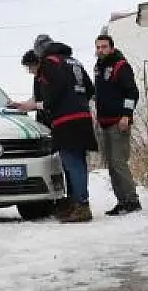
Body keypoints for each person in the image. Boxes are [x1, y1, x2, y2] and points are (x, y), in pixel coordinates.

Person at [9, 38, 98, 222]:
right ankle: (77, 203)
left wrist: (40, 106)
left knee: (71, 163)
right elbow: (90, 89)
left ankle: (81, 205)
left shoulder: (50, 63)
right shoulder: (74, 62)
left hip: (65, 119)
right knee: (79, 162)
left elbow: (52, 94)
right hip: (83, 117)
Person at [93, 33, 141, 215]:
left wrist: (126, 115)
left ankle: (132, 200)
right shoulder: (99, 67)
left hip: (118, 122)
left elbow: (132, 92)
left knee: (119, 162)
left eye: (104, 47)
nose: (100, 50)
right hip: (104, 123)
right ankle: (121, 201)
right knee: (112, 165)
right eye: (98, 47)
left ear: (112, 48)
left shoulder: (121, 66)